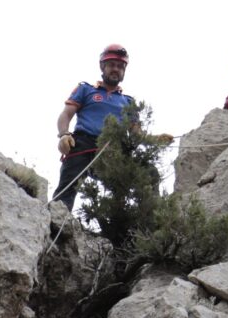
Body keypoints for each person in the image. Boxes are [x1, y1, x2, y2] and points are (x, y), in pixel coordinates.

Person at [53, 44, 172, 211]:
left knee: (149, 172)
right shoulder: (85, 89)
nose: (116, 69)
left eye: (120, 66)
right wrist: (64, 134)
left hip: (115, 150)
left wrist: (155, 140)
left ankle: (151, 216)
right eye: (111, 65)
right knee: (69, 183)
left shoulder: (128, 102)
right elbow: (66, 114)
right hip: (84, 144)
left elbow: (137, 134)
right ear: (103, 67)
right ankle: (57, 218)